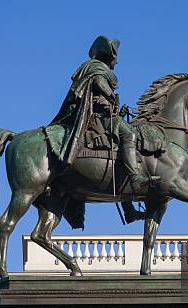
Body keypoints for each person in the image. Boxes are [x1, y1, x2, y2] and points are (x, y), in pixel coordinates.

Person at [51, 35, 159, 223]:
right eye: (115, 56)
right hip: (97, 118)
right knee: (130, 134)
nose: (117, 60)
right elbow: (98, 86)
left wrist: (116, 106)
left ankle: (129, 210)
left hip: (104, 114)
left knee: (120, 154)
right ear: (109, 56)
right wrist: (110, 97)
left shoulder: (93, 69)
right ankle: (135, 178)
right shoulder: (98, 70)